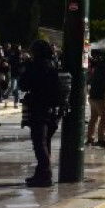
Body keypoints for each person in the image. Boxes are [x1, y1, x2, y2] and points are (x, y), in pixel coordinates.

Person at [20, 39, 65, 187]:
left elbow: (23, 84)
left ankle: (45, 175)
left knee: (39, 143)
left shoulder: (36, 66)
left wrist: (26, 67)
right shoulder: (54, 65)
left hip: (40, 107)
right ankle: (41, 173)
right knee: (46, 143)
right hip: (54, 109)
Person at [85, 52, 105, 149]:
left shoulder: (98, 67)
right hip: (102, 97)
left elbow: (90, 80)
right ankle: (101, 139)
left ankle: (90, 138)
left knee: (93, 118)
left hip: (92, 96)